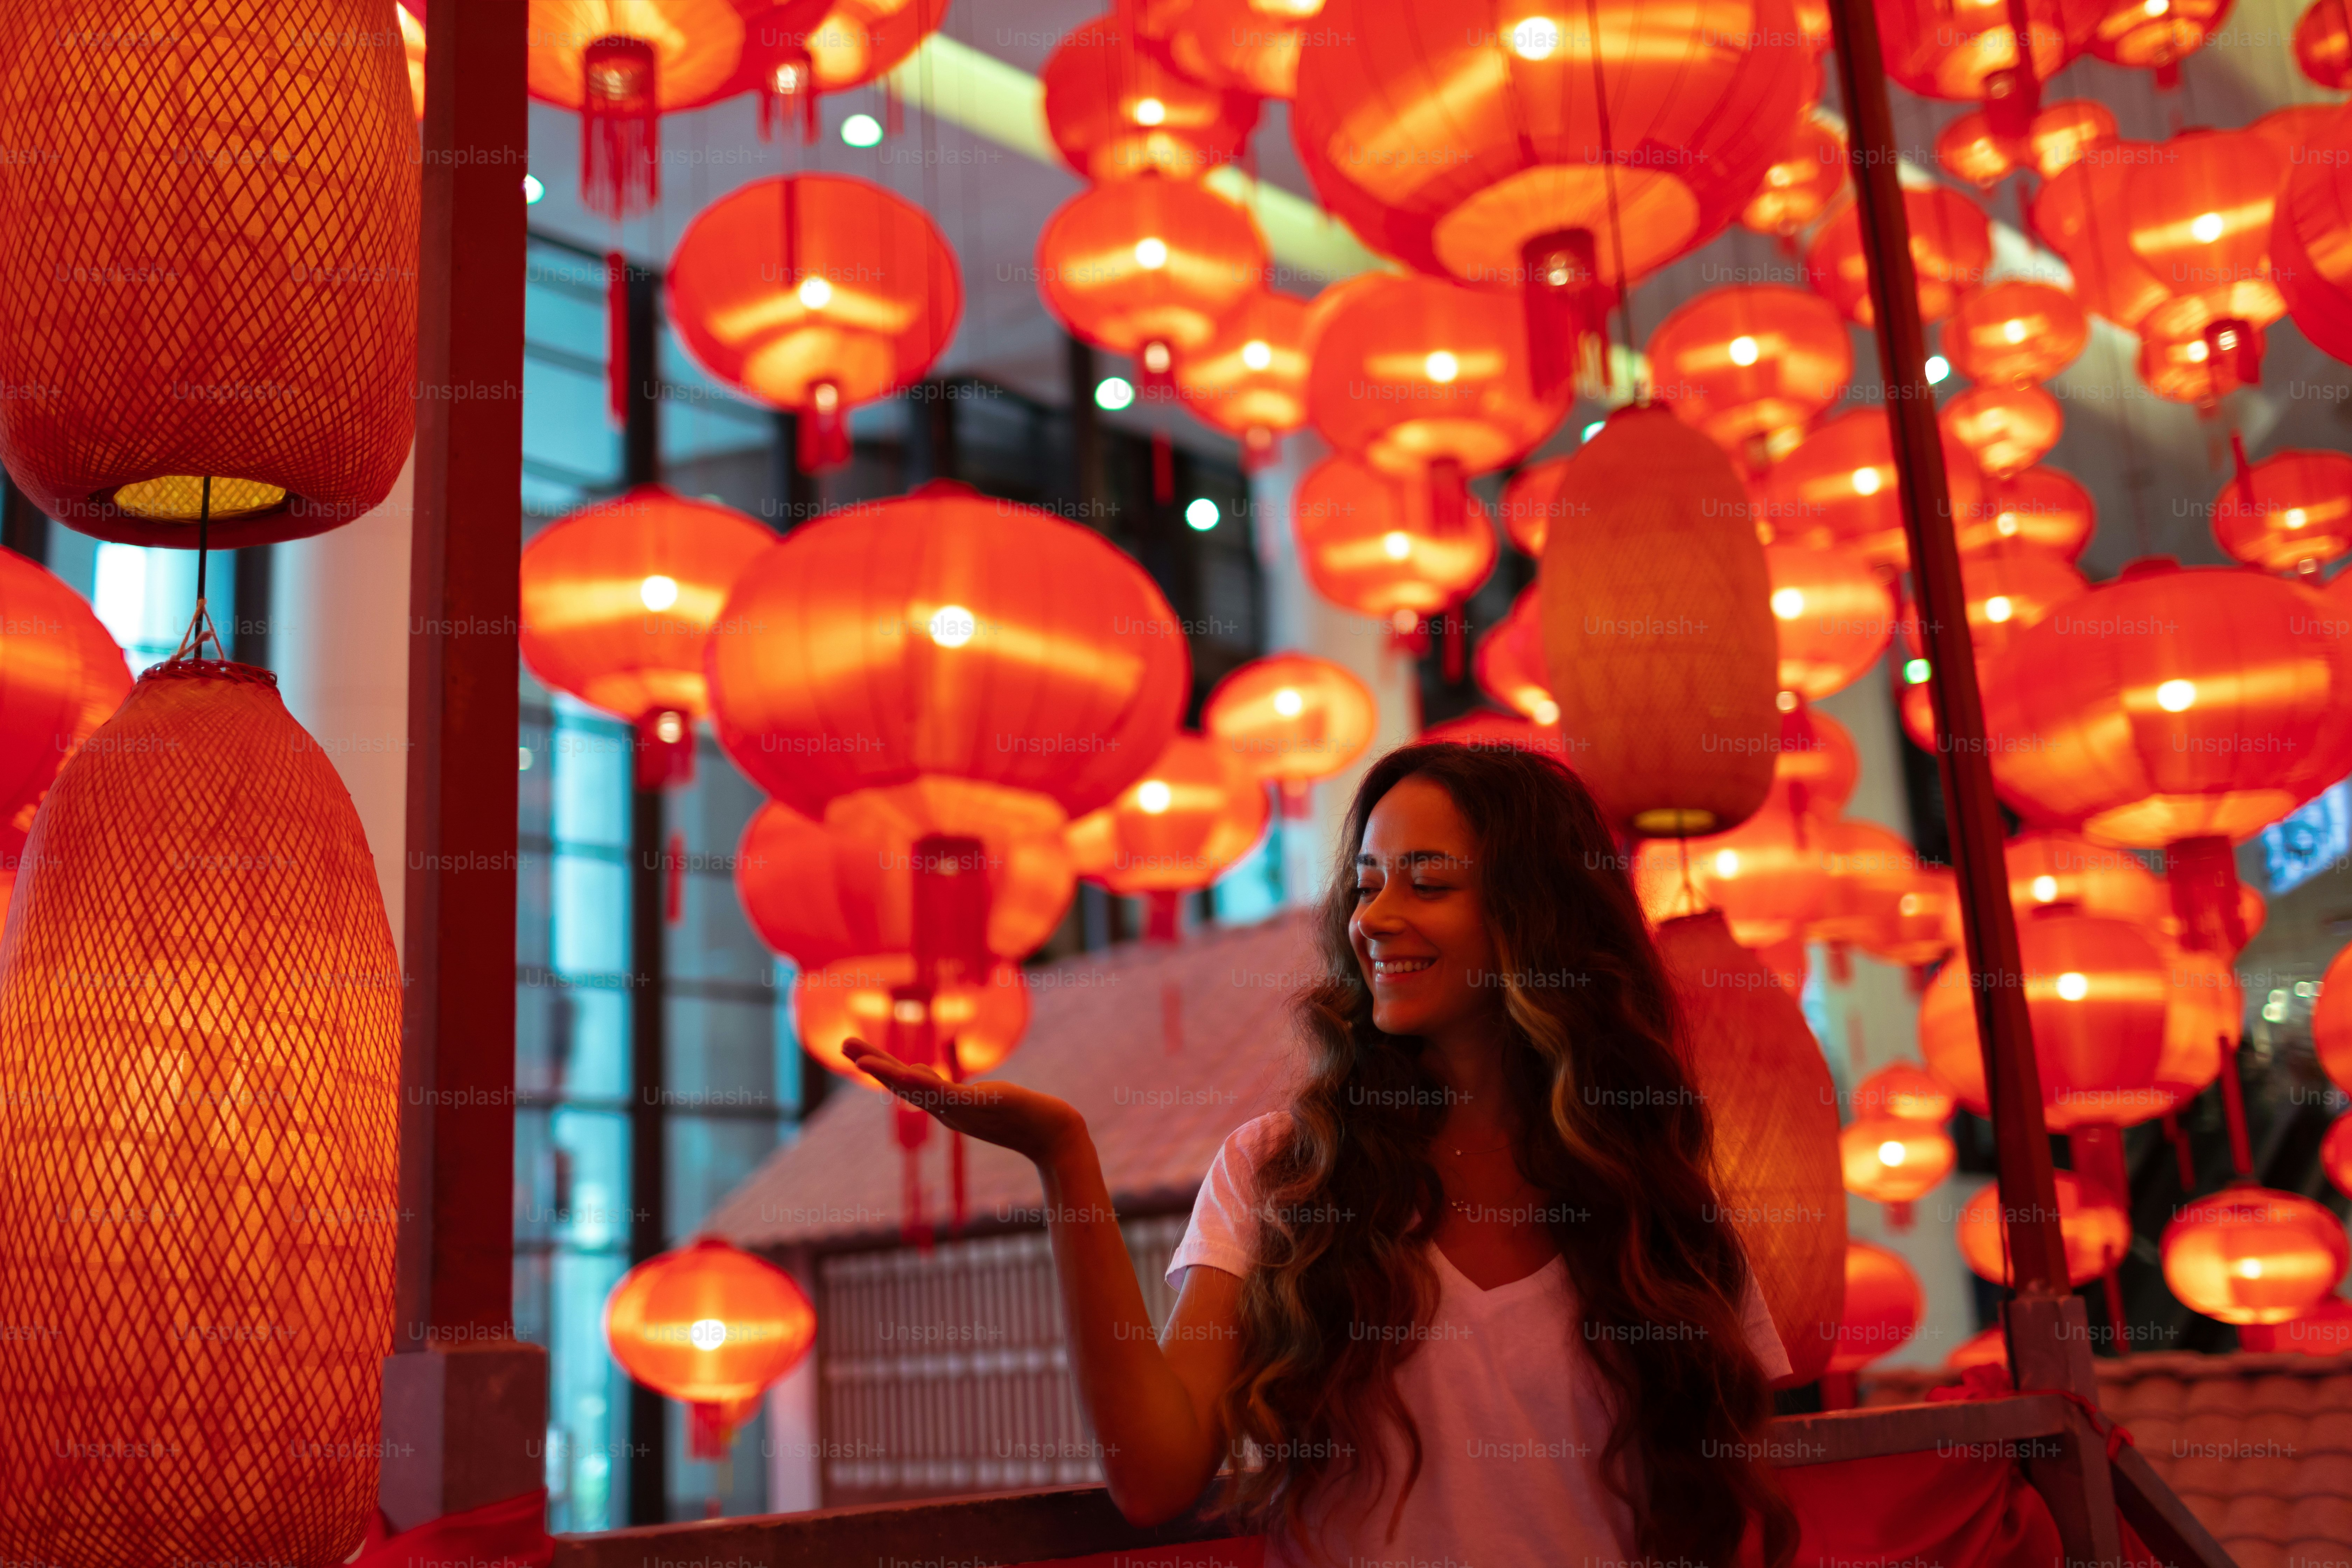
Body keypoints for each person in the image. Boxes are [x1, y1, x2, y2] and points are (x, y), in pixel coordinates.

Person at [847, 741, 1801, 1568]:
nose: (1374, 919)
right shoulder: (1284, 1172)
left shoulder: (1646, 1185)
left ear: (1541, 918)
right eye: (1367, 883)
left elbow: (1731, 1477)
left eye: (1428, 883)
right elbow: (1154, 1479)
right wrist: (1065, 1161)